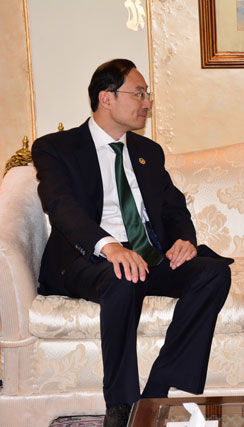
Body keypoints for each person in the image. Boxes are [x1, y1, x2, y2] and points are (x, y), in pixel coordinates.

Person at [32, 59, 233, 427]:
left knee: (213, 272)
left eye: (147, 94)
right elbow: (61, 207)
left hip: (147, 255)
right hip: (89, 258)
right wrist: (109, 246)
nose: (147, 102)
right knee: (124, 277)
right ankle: (121, 405)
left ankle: (157, 390)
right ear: (106, 98)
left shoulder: (147, 151)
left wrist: (184, 240)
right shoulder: (56, 148)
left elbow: (173, 207)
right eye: (138, 93)